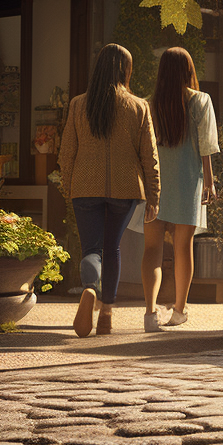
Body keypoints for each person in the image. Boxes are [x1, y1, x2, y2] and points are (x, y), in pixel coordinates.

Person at [59, 44, 159, 337]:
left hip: (85, 187)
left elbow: (67, 152)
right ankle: (106, 315)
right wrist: (154, 196)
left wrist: (68, 186)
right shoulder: (138, 106)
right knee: (112, 248)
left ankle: (90, 287)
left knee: (91, 249)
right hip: (125, 188)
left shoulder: (79, 104)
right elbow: (149, 156)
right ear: (126, 70)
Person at [140, 48, 218, 332]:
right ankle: (179, 310)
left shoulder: (149, 104)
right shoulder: (200, 101)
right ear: (189, 70)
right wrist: (209, 181)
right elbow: (206, 145)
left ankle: (149, 313)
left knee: (152, 249)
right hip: (188, 181)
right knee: (184, 248)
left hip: (156, 184)